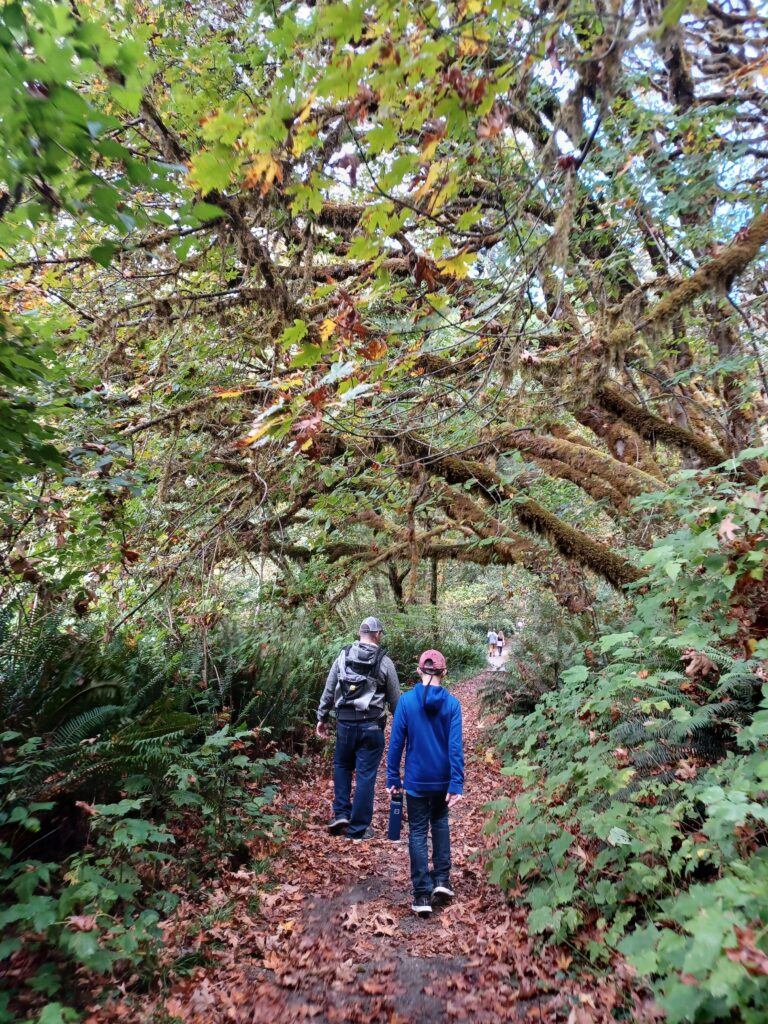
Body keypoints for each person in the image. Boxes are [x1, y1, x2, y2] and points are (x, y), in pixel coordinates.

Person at [386, 649, 464, 917]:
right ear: (444, 672)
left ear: (419, 670)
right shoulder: (452, 705)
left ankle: (421, 894)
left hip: (416, 781)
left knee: (418, 832)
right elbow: (455, 748)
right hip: (441, 781)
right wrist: (456, 783)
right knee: (440, 824)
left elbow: (396, 743)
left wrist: (392, 778)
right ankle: (441, 880)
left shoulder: (406, 703)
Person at [316, 616, 400, 840]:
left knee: (342, 766)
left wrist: (321, 717)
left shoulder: (343, 655)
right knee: (365, 775)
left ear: (360, 633)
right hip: (372, 726)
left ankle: (342, 813)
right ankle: (358, 829)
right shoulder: (384, 661)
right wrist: (403, 727)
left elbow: (329, 687)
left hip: (344, 724)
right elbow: (395, 701)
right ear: (378, 635)